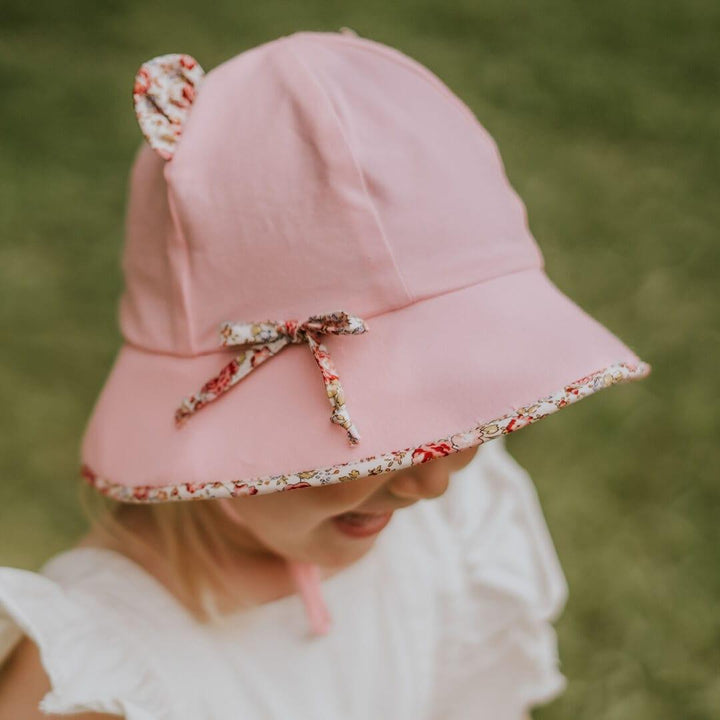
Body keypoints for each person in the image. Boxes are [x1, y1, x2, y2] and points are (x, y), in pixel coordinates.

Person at [0, 27, 651, 719]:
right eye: (365, 434)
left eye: (450, 413)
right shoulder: (102, 675)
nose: (432, 481)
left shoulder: (443, 534)